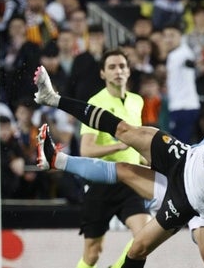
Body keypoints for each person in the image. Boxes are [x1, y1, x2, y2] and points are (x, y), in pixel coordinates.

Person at [34, 42, 204, 267]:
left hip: (191, 200)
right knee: (125, 131)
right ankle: (53, 103)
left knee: (140, 250)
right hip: (183, 158)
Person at [74, 48, 151, 268]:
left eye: (122, 66)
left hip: (131, 180)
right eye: (112, 67)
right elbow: (86, 150)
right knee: (92, 253)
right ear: (102, 74)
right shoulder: (94, 104)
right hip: (101, 182)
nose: (118, 71)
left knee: (144, 237)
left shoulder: (137, 101)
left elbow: (138, 142)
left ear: (128, 71)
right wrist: (120, 144)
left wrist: (147, 160)